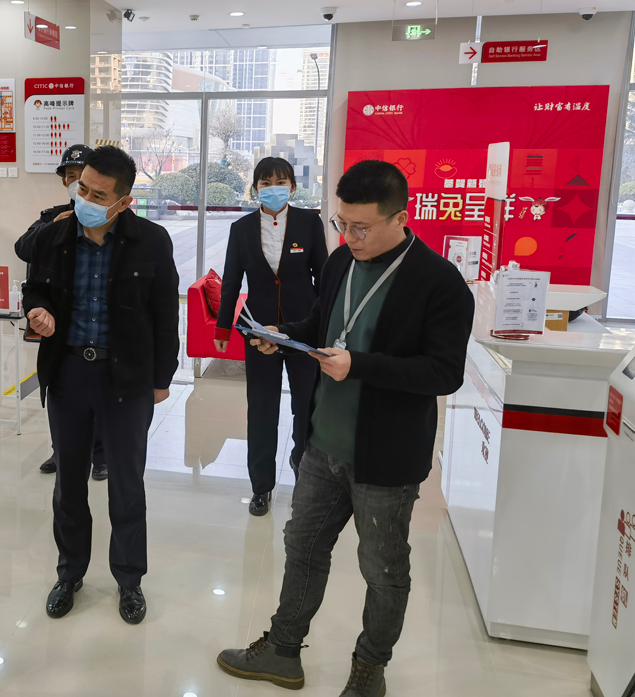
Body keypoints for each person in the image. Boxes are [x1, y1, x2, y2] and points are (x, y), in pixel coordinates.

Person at [217, 160, 475, 697]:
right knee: (303, 547)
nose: (350, 236)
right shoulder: (340, 261)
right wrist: (283, 335)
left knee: (383, 568)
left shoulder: (438, 282)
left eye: (362, 227)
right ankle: (283, 649)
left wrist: (360, 365)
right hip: (322, 443)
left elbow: (445, 372)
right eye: (342, 223)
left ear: (400, 218)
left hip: (385, 457)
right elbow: (321, 323)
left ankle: (369, 669)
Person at [24, 145, 179, 625]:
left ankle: (129, 579)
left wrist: (162, 378)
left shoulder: (151, 241)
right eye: (82, 188)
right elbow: (35, 287)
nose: (85, 200)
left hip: (125, 377)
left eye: (98, 195)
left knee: (127, 485)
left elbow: (165, 314)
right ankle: (69, 573)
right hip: (68, 372)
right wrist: (37, 310)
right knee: (69, 483)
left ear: (123, 201)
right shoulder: (56, 234)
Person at [214, 157, 327, 517]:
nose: (273, 188)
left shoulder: (309, 223)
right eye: (265, 183)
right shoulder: (242, 228)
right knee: (262, 408)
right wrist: (222, 327)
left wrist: (326, 326)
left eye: (280, 182)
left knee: (306, 406)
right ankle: (260, 486)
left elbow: (324, 278)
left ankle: (304, 473)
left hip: (304, 328)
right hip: (259, 331)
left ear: (292, 187)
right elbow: (232, 280)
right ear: (255, 188)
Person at [14, 143, 108, 480]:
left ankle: (100, 456)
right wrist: (53, 226)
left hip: (100, 330)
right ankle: (60, 450)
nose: (75, 182)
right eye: (70, 176)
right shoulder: (51, 216)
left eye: (81, 175)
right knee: (62, 398)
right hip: (61, 328)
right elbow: (23, 248)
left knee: (101, 397)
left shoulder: (111, 219)